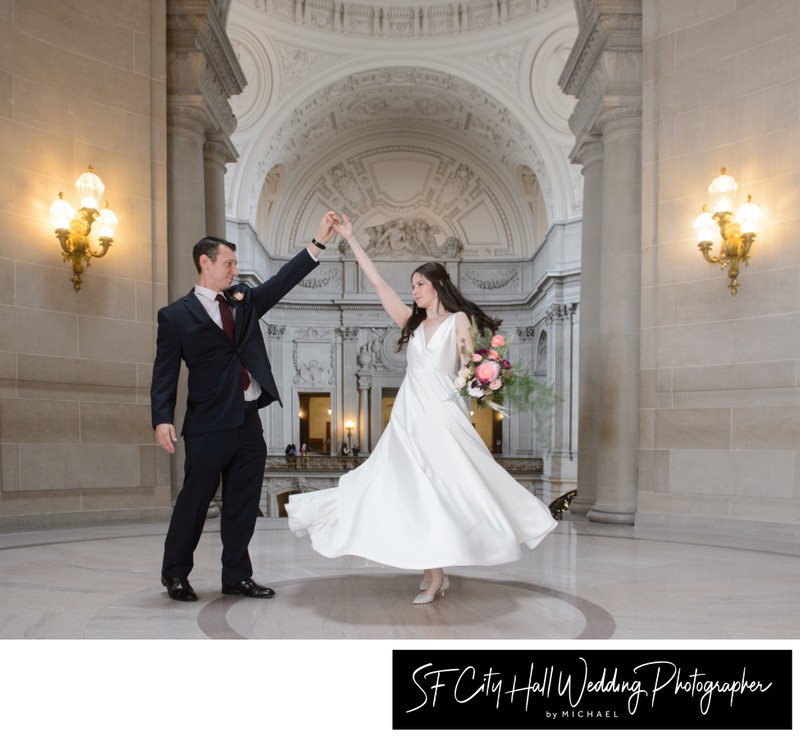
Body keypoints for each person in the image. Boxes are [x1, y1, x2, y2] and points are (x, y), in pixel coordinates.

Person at [285, 215, 557, 605]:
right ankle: (434, 574)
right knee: (410, 490)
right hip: (409, 416)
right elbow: (377, 282)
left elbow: (466, 363)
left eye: (420, 285)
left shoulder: (458, 319)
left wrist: (484, 374)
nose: (414, 291)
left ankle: (438, 573)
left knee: (445, 489)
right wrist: (350, 238)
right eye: (412, 286)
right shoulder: (411, 324)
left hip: (443, 414)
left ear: (438, 286)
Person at [151, 211, 338, 602]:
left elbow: (282, 281)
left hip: (248, 422)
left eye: (235, 264)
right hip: (207, 425)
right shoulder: (174, 316)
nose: (235, 271)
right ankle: (175, 575)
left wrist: (318, 242)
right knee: (195, 502)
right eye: (229, 263)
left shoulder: (245, 301)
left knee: (243, 503)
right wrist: (162, 419)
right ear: (206, 263)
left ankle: (236, 575)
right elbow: (165, 372)